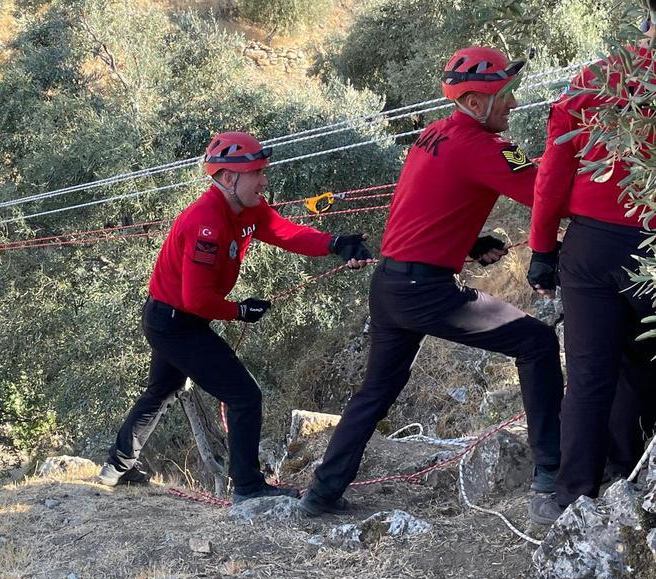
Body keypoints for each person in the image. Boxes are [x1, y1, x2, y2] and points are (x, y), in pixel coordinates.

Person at [298, 47, 564, 516]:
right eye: (507, 94)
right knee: (538, 343)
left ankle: (320, 495)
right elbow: (548, 193)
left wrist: (468, 240)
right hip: (428, 291)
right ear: (476, 102)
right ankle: (551, 473)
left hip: (390, 284)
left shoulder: (433, 134)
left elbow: (422, 203)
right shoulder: (486, 147)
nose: (514, 104)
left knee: (374, 395)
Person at [97, 131, 373, 503]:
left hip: (175, 317)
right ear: (229, 178)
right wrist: (241, 311)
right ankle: (247, 488)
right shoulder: (206, 223)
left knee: (162, 390)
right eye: (257, 172)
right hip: (175, 322)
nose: (264, 180)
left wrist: (335, 243)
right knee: (244, 396)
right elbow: (197, 300)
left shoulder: (248, 209)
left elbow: (285, 232)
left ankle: (116, 467)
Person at [526, 20, 656, 525]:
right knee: (643, 365)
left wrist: (541, 248)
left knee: (587, 374)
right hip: (648, 248)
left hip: (591, 245)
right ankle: (625, 474)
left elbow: (553, 171)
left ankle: (570, 494)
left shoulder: (595, 79)